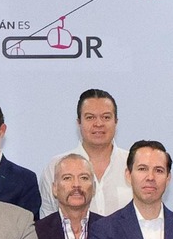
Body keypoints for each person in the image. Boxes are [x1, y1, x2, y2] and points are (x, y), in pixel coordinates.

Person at [44, 89, 130, 217]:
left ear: (116, 121)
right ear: (79, 122)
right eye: (90, 117)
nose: (98, 124)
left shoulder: (133, 164)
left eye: (106, 117)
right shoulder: (56, 166)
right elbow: (48, 220)